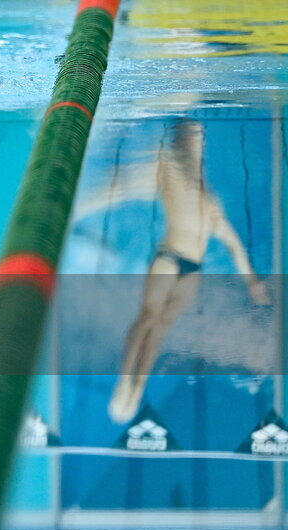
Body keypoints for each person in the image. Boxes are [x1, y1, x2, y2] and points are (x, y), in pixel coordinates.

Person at [107, 119, 270, 423]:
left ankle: (138, 385)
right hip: (169, 258)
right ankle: (124, 379)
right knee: (148, 317)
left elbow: (233, 243)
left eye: (201, 140)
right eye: (194, 138)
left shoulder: (210, 198)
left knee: (161, 327)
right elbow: (126, 184)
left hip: (193, 268)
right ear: (181, 143)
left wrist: (251, 282)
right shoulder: (168, 170)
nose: (200, 143)